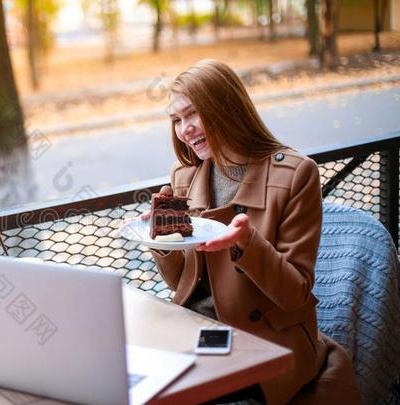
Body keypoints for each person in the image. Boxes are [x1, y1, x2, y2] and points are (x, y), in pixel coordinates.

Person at [148, 59, 361, 404]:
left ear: (226, 107)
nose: (184, 129)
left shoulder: (295, 174)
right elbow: (183, 286)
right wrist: (162, 238)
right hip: (197, 333)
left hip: (263, 345)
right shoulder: (184, 177)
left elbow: (296, 294)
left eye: (193, 114)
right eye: (176, 120)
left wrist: (247, 243)